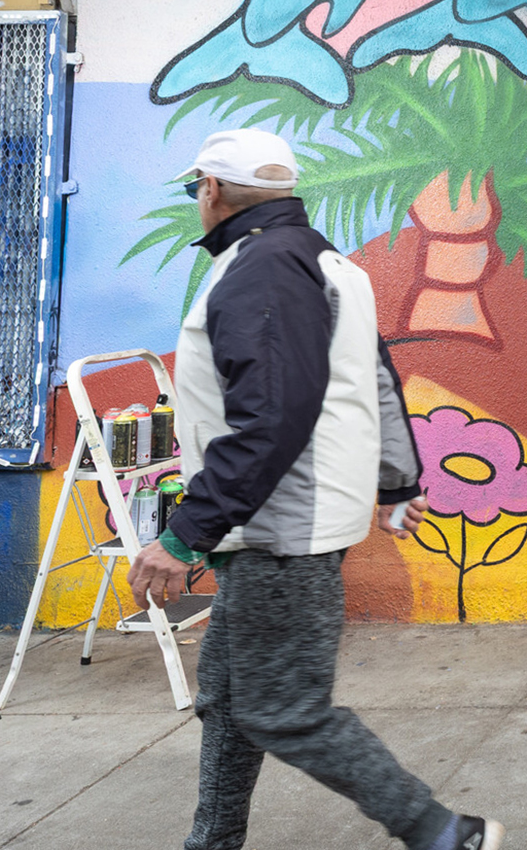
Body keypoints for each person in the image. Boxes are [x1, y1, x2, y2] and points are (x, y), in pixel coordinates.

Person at [126, 128, 504, 850]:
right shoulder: (329, 264)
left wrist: (183, 534)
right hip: (281, 520)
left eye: (194, 189)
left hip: (278, 527)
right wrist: (397, 481)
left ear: (211, 190)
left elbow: (270, 418)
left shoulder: (260, 270)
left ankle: (443, 832)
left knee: (286, 709)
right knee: (233, 701)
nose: (196, 199)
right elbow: (378, 381)